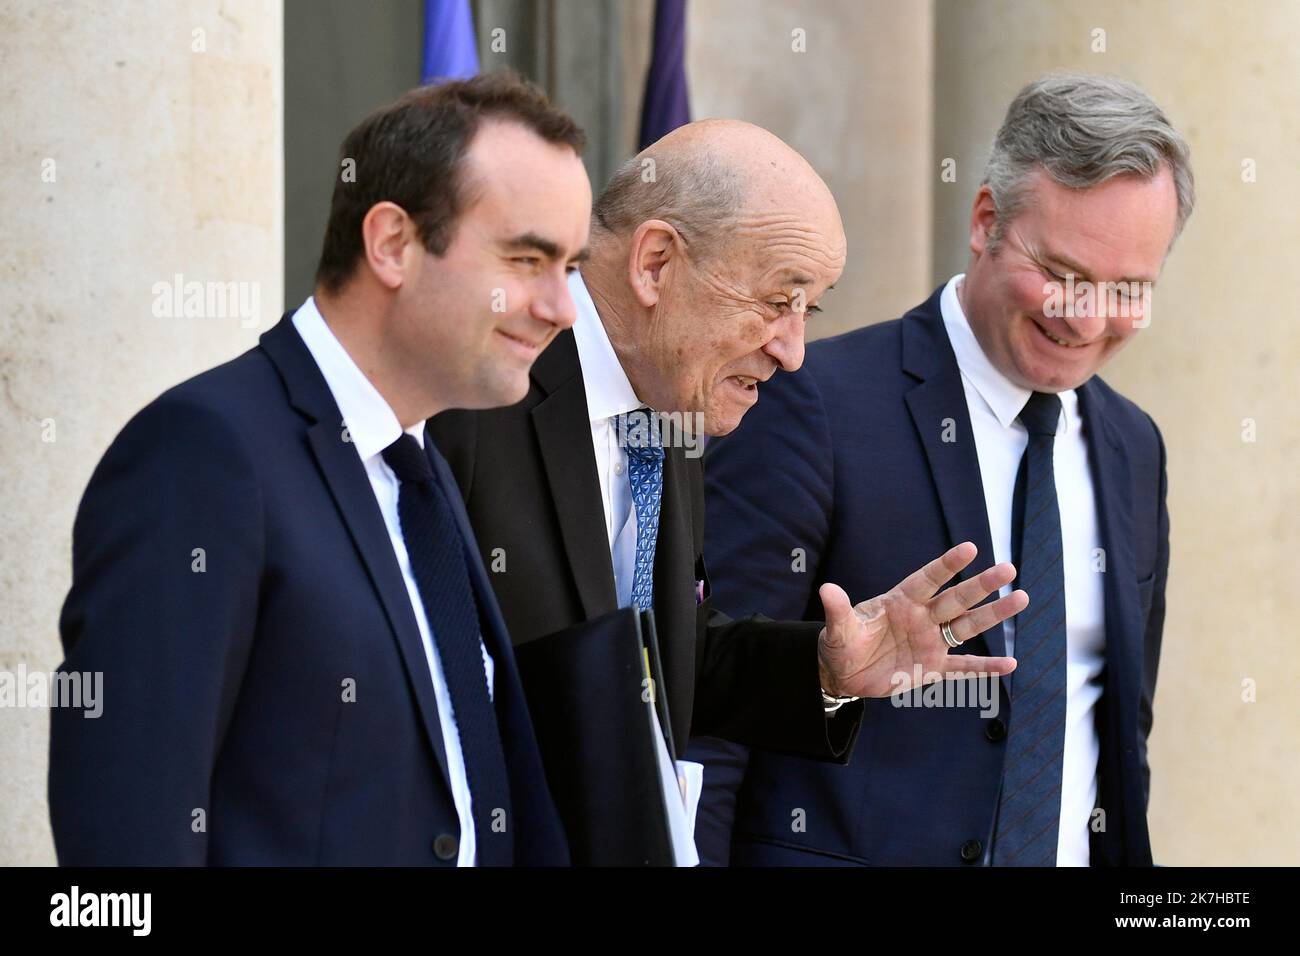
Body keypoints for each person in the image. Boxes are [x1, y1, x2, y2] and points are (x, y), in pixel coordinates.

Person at [429, 119, 1027, 845]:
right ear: (655, 264)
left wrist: (826, 669)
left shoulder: (675, 400)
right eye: (779, 301)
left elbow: (655, 657)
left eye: (811, 311)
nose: (794, 351)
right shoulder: (473, 389)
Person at [49, 72, 592, 866]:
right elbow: (127, 834)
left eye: (571, 265)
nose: (562, 306)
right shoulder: (203, 453)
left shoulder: (421, 474)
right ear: (393, 244)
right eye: (528, 258)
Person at [690, 73, 1191, 867]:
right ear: (985, 220)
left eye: (1127, 288)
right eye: (1062, 272)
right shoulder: (809, 405)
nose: (1087, 318)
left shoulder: (1135, 448)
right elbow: (710, 713)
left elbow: (1118, 741)